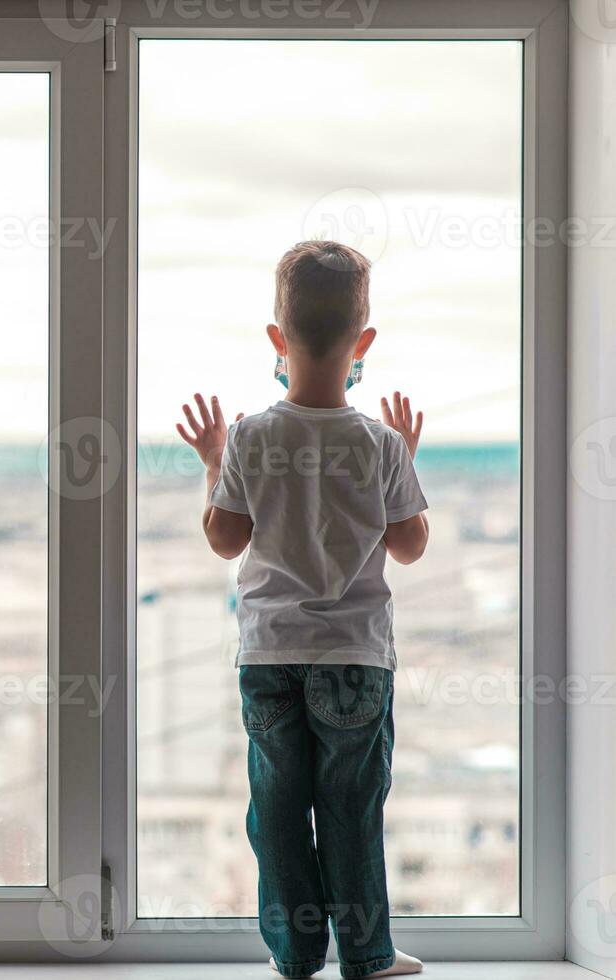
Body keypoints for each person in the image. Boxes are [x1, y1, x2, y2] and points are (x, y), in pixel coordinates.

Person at [175, 240, 430, 979]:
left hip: (269, 656)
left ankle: (294, 953)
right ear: (364, 343)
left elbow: (225, 539)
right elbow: (410, 547)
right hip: (355, 658)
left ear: (277, 341)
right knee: (351, 809)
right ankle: (367, 953)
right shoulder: (379, 443)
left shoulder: (253, 436)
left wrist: (215, 463)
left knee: (278, 810)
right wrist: (404, 462)